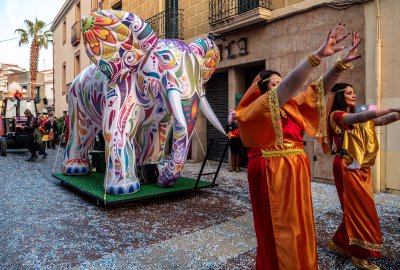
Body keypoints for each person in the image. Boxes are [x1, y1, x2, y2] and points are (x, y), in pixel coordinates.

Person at [236, 25, 361, 269]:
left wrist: (338, 65)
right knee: (280, 229)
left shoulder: (291, 107)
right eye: (274, 84)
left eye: (281, 83)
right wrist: (317, 56)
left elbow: (317, 90)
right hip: (273, 171)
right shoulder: (258, 107)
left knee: (299, 227)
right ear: (264, 90)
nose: (281, 86)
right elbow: (289, 87)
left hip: (295, 170)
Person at [323, 82, 400, 270]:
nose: (354, 95)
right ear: (340, 96)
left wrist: (396, 115)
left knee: (357, 209)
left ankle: (338, 243)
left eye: (354, 92)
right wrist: (390, 107)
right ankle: (359, 255)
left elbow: (378, 121)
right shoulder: (337, 115)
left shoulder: (358, 113)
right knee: (361, 210)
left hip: (362, 167)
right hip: (347, 166)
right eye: (349, 93)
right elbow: (360, 117)